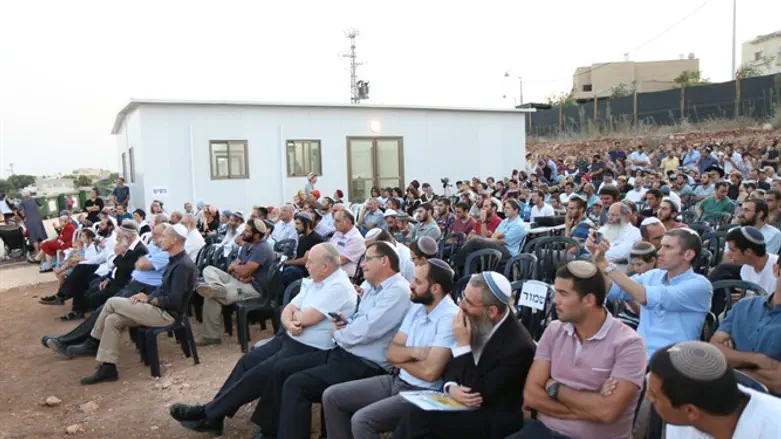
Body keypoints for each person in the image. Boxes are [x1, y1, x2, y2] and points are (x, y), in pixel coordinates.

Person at [169, 243, 357, 436]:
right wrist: (290, 322)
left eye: (310, 262)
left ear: (325, 267)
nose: (306, 265)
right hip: (290, 338)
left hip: (311, 348)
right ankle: (215, 415)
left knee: (262, 372)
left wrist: (296, 318)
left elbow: (307, 318)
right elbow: (289, 308)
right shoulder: (318, 280)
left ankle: (210, 413)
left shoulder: (338, 287)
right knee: (247, 361)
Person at [252, 242, 411, 439]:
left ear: (384, 261)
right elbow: (358, 321)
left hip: (365, 365)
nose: (362, 264)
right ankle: (269, 430)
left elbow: (365, 330)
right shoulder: (372, 287)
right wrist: (346, 325)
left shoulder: (398, 291)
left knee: (296, 384)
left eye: (368, 259)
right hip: (344, 353)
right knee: (282, 369)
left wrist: (338, 334)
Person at [322, 259, 459, 438]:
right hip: (397, 380)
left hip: (424, 393)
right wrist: (415, 353)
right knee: (332, 397)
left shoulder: (449, 317)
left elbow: (429, 373)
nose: (411, 285)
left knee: (362, 420)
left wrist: (401, 361)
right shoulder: (418, 308)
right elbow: (391, 352)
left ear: (435, 288)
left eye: (418, 282)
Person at [394, 272, 536, 439]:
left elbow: (476, 395)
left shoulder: (518, 347)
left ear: (491, 311)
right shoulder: (478, 320)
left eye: (468, 302)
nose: (461, 305)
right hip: (463, 404)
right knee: (415, 414)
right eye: (463, 297)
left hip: (490, 418)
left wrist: (463, 345)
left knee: (419, 419)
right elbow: (451, 367)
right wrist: (451, 387)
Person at [517, 261, 646, 439]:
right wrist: (590, 409)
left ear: (588, 300)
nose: (555, 300)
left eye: (563, 294)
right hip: (544, 431)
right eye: (556, 292)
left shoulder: (629, 344)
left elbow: (607, 411)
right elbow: (531, 396)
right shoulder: (554, 330)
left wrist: (554, 388)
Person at [68, 223, 196, 385]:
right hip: (158, 309)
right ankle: (108, 367)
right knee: (113, 320)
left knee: (112, 302)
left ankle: (93, 341)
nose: (160, 240)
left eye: (164, 236)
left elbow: (174, 300)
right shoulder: (174, 260)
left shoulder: (182, 265)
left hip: (167, 315)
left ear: (174, 240)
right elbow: (163, 289)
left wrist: (149, 299)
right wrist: (147, 295)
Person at [42, 224, 170, 357]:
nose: (153, 237)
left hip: (141, 289)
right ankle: (77, 341)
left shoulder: (148, 250)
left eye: (156, 235)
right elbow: (118, 264)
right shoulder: (152, 248)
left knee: (105, 308)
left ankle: (76, 342)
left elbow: (137, 265)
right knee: (101, 306)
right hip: (133, 286)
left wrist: (124, 255)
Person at [592, 228, 713, 359]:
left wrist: (606, 265)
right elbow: (613, 290)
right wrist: (597, 259)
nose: (659, 252)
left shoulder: (700, 285)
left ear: (688, 255)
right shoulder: (653, 275)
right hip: (638, 355)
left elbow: (644, 296)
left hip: (674, 361)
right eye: (661, 246)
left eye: (668, 247)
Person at [647, 341, 781, 439]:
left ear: (691, 411)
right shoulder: (683, 418)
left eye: (655, 397)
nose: (648, 398)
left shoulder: (774, 429)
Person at [195, 218, 275, 345]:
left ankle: (211, 336)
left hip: (253, 288)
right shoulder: (248, 244)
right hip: (239, 280)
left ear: (256, 235)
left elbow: (243, 271)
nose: (243, 233)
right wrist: (239, 270)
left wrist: (239, 270)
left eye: (247, 231)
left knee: (211, 296)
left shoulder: (262, 248)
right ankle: (217, 287)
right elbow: (232, 266)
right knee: (209, 269)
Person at [454, 199, 527, 273]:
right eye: (504, 208)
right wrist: (498, 235)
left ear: (516, 210)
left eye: (508, 208)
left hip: (508, 252)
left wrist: (486, 239)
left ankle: (455, 264)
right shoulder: (505, 221)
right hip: (498, 246)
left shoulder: (519, 225)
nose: (505, 210)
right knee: (471, 252)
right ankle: (463, 274)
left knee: (476, 240)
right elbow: (494, 236)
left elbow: (501, 241)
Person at [725, 226, 778, 295]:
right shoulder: (745, 270)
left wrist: (752, 297)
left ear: (748, 252)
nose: (729, 254)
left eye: (733, 250)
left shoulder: (778, 267)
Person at [281, 212, 323, 286]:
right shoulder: (302, 237)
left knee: (289, 271)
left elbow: (305, 260)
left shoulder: (315, 238)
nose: (295, 227)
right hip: (297, 267)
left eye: (298, 224)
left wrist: (286, 262)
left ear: (306, 224)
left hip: (307, 270)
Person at [329, 210, 366, 277]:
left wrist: (322, 260)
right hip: (331, 270)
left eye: (337, 221)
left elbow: (341, 260)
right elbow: (327, 248)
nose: (334, 223)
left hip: (342, 275)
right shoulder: (338, 233)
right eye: (334, 220)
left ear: (348, 222)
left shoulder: (356, 239)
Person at [19, 189, 47, 260]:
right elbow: (41, 206)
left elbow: (20, 211)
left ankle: (37, 253)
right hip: (38, 220)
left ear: (23, 195)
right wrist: (36, 211)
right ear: (29, 194)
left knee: (34, 238)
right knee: (41, 236)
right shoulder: (34, 200)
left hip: (30, 221)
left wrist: (24, 216)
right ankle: (43, 252)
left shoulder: (22, 202)